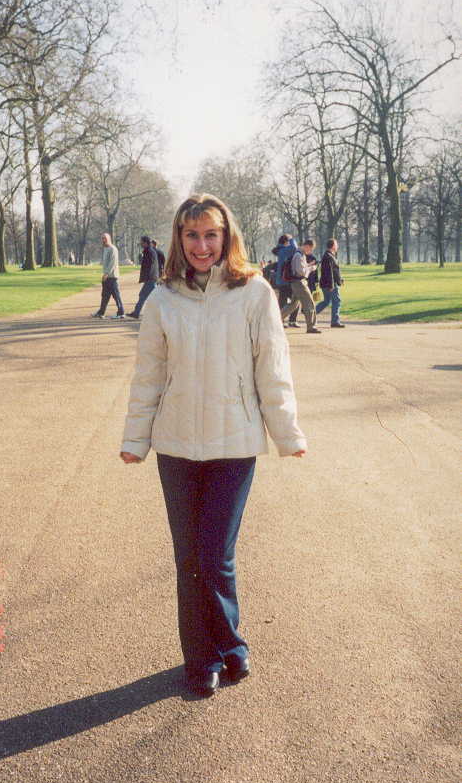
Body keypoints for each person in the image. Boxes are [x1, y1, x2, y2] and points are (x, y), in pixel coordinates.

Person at [120, 193, 307, 697]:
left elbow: (272, 367)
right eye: (192, 235)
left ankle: (230, 643)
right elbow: (148, 376)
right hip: (176, 446)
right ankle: (201, 658)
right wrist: (136, 438)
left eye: (211, 235)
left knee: (215, 554)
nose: (202, 246)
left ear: (227, 237)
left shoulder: (255, 293)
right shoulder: (163, 300)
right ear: (179, 239)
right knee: (189, 560)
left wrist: (287, 432)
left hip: (233, 445)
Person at [280, 239, 321, 334]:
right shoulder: (299, 255)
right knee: (309, 303)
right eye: (311, 249)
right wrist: (312, 268)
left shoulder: (299, 254)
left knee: (293, 305)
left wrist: (308, 265)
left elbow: (301, 268)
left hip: (296, 283)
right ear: (307, 246)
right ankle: (311, 326)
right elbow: (301, 272)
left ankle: (276, 319)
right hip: (299, 283)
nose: (310, 251)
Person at [91, 233, 125, 319]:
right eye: (102, 238)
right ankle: (101, 312)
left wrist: (106, 273)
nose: (103, 240)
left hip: (112, 276)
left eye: (105, 238)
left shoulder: (113, 249)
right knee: (105, 296)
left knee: (116, 295)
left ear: (109, 239)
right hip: (107, 276)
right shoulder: (105, 249)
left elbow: (112, 263)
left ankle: (121, 312)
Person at [127, 236, 159, 319]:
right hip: (152, 278)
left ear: (145, 243)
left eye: (142, 242)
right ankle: (136, 312)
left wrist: (147, 277)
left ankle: (136, 313)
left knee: (143, 295)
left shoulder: (149, 251)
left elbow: (150, 266)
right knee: (153, 297)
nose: (140, 243)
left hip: (151, 278)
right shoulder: (149, 251)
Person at [316, 238, 345, 327]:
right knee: (337, 301)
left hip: (327, 283)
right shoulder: (328, 256)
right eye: (336, 245)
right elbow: (329, 273)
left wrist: (340, 279)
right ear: (333, 246)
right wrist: (331, 285)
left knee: (327, 301)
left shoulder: (329, 255)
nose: (337, 246)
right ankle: (335, 321)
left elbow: (335, 271)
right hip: (330, 284)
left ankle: (310, 314)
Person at [273, 234, 299, 327]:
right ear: (286, 242)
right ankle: (292, 320)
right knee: (295, 300)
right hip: (286, 279)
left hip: (281, 280)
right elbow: (295, 248)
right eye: (289, 241)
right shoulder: (284, 250)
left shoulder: (280, 250)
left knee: (282, 301)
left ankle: (282, 320)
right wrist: (292, 238)